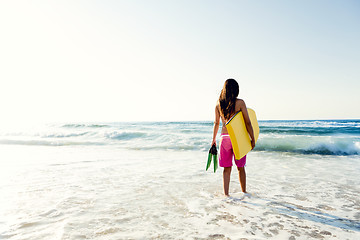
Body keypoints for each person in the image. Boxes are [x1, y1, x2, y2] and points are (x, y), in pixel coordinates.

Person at [211, 79, 255, 196]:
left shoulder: (218, 104)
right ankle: (244, 193)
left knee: (227, 169)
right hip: (238, 139)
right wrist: (252, 138)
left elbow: (216, 123)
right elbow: (248, 123)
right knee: (240, 167)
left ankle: (226, 195)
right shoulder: (240, 103)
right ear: (236, 89)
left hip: (224, 138)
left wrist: (213, 140)